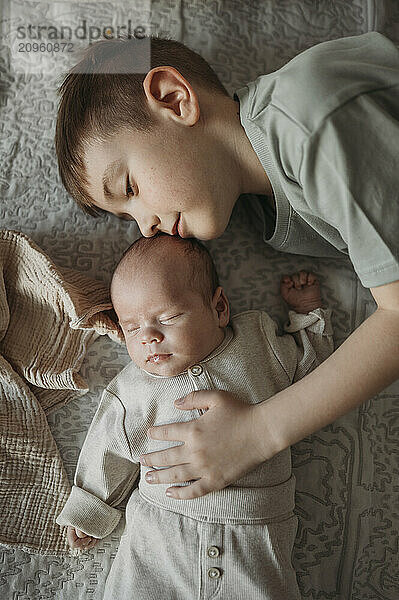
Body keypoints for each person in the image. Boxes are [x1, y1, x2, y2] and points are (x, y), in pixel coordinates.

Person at [54, 33, 399, 501]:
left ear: (175, 100)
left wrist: (259, 431)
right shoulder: (261, 210)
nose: (145, 228)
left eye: (130, 187)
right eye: (128, 218)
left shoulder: (310, 118)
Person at [56, 233, 333, 599]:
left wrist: (308, 316)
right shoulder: (134, 387)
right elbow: (109, 444)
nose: (149, 337)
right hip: (160, 536)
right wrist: (91, 507)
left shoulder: (259, 344)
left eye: (167, 318)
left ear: (219, 309)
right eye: (132, 327)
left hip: (255, 536)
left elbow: (315, 378)